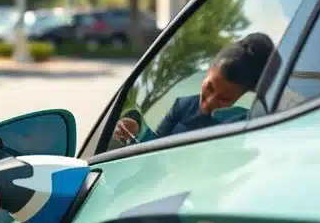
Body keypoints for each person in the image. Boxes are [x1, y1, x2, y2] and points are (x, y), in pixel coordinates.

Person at [113, 33, 274, 144]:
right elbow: (156, 147)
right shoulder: (182, 106)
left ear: (242, 96)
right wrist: (138, 132)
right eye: (209, 87)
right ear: (209, 70)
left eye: (224, 98)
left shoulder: (245, 122)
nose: (209, 102)